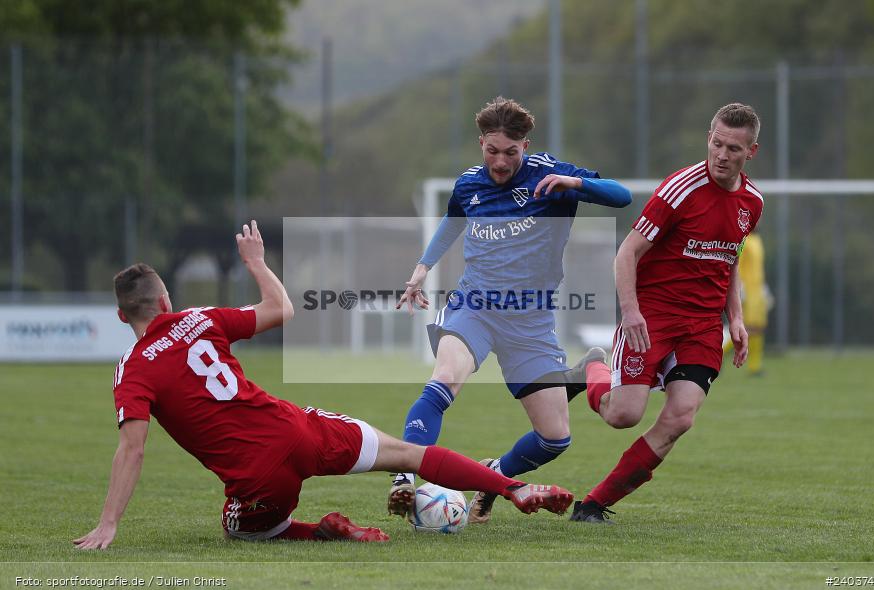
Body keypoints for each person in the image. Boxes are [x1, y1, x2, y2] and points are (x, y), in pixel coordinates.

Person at [73, 221, 574, 549]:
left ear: (121, 315)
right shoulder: (200, 318)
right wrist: (256, 263)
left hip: (258, 477)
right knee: (408, 454)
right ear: (166, 302)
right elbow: (281, 310)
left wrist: (109, 522)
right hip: (298, 430)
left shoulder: (132, 369)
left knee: (239, 530)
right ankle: (513, 487)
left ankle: (326, 530)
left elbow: (132, 448)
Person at [389, 96, 631, 524]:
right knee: (444, 380)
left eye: (511, 153)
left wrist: (575, 184)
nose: (500, 162)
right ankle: (403, 477)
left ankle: (493, 476)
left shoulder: (549, 174)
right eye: (492, 151)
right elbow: (453, 220)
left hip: (530, 320)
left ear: (526, 146)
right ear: (481, 143)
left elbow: (622, 196)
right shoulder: (469, 184)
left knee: (555, 438)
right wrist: (422, 268)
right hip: (475, 307)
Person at [566, 103, 764, 523]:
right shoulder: (681, 189)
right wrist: (631, 311)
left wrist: (736, 317)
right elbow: (627, 253)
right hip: (653, 315)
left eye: (733, 148)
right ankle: (591, 371)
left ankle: (594, 504)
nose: (722, 155)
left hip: (703, 326)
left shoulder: (752, 202)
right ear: (708, 138)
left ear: (751, 152)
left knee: (680, 418)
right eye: (716, 143)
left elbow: (728, 259)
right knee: (623, 415)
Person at [723, 231, 771, 376]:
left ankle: (754, 367)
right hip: (747, 291)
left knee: (758, 328)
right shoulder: (744, 240)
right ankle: (719, 354)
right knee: (746, 328)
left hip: (757, 292)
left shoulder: (757, 240)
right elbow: (737, 265)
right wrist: (740, 288)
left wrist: (763, 289)